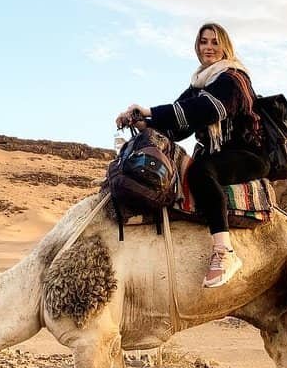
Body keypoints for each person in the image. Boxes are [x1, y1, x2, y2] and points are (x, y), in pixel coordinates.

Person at [115, 23, 268, 288]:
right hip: (214, 153)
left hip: (246, 154)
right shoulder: (200, 82)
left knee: (200, 171)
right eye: (203, 42)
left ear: (225, 47)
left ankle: (224, 251)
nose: (208, 47)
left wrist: (149, 110)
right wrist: (141, 123)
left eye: (214, 42)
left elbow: (204, 111)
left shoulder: (234, 79)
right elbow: (178, 122)